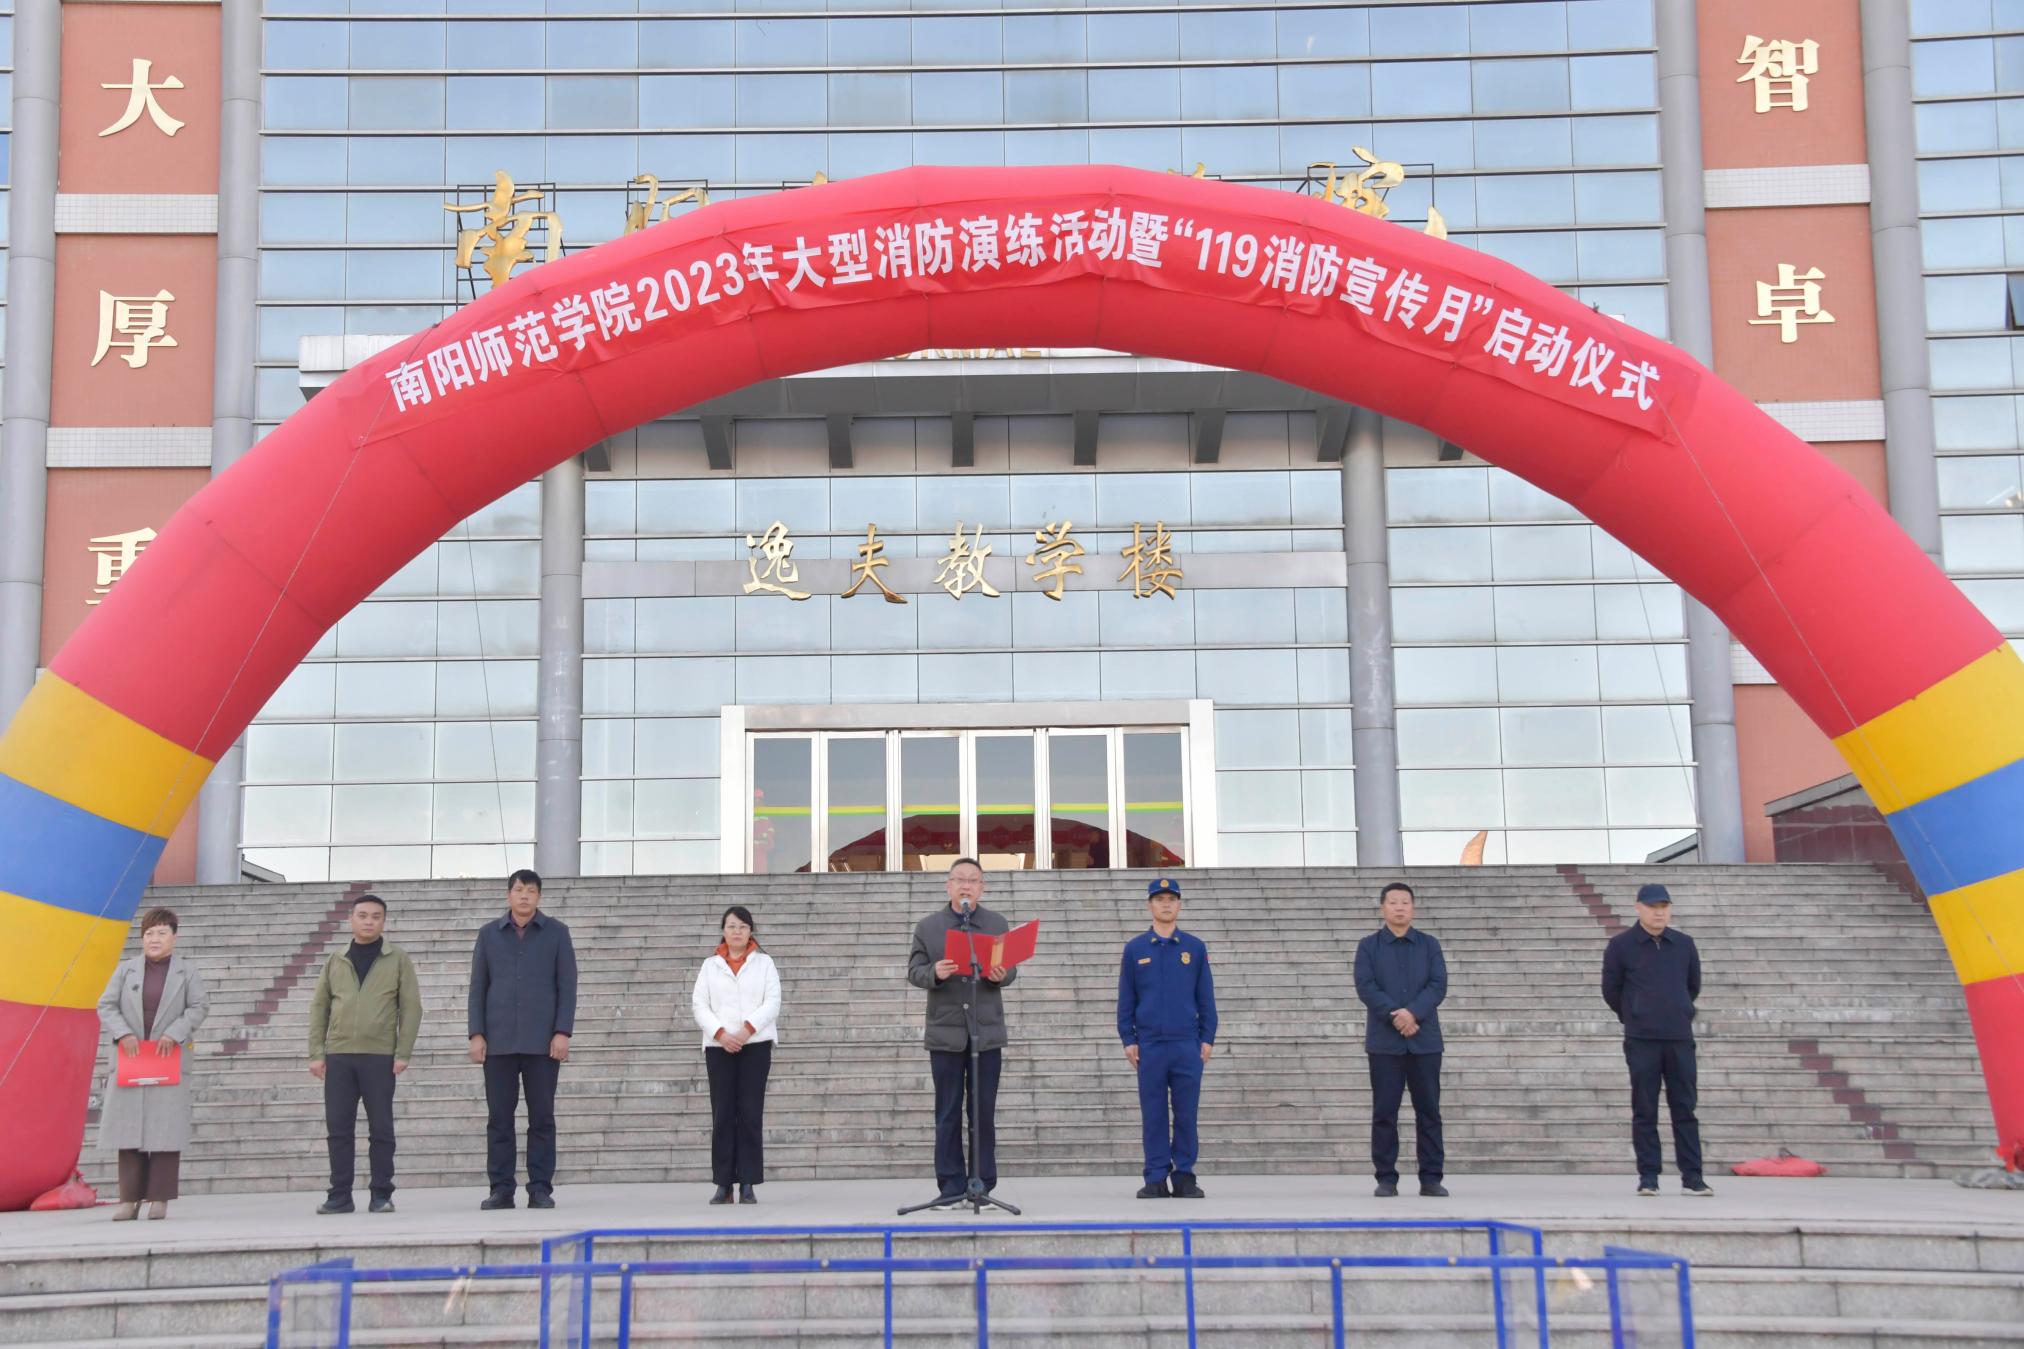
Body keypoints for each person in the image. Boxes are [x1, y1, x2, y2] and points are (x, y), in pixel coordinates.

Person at [906, 857, 1017, 1205]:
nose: (966, 885)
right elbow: (914, 970)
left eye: (973, 880)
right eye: (959, 879)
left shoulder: (997, 924)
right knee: (948, 1112)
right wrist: (934, 973)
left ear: (982, 888)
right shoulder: (929, 927)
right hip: (946, 1033)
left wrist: (1002, 974)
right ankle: (951, 1186)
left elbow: (1010, 968)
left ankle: (981, 1184)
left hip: (986, 1032)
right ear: (948, 885)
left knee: (982, 1112)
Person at [468, 868, 578, 1211]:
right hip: (498, 1042)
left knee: (542, 1118)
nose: (524, 896)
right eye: (518, 890)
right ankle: (501, 1189)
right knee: (499, 1119)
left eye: (531, 890)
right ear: (509, 895)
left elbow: (567, 986)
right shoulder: (489, 935)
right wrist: (476, 1033)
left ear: (539, 896)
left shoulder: (557, 933)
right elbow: (477, 988)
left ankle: (540, 1188)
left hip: (542, 1043)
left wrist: (562, 1032)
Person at [308, 893, 421, 1215]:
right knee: (338, 1129)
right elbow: (319, 1007)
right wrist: (316, 1052)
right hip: (339, 1055)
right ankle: (339, 1195)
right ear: (351, 920)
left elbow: (411, 1007)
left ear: (383, 921)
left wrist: (403, 1052)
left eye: (375, 916)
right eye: (362, 915)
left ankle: (381, 1194)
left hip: (379, 1056)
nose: (369, 921)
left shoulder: (397, 959)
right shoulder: (336, 959)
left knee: (381, 1129)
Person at [95, 907, 209, 1221]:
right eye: (148, 933)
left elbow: (200, 1006)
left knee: (165, 1129)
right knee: (127, 1129)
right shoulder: (126, 970)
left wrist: (175, 1032)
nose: (154, 939)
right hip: (131, 1059)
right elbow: (105, 1005)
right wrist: (124, 1033)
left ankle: (159, 1198)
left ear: (174, 937)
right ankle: (128, 1200)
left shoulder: (187, 972)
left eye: (161, 933)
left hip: (167, 1059)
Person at [1602, 882, 1712, 1197]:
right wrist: (1634, 1014)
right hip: (1642, 1039)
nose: (1659, 913)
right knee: (1645, 1109)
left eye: (1664, 907)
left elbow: (1692, 985)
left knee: (1685, 1107)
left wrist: (1680, 1010)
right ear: (1638, 908)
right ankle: (1648, 1176)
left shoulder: (1684, 945)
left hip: (1679, 1037)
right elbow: (1611, 990)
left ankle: (1693, 1177)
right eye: (1652, 907)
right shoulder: (1621, 946)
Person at [1116, 877, 1217, 1199]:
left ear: (1179, 905)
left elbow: (1206, 997)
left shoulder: (1194, 948)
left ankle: (1184, 1176)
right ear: (1149, 905)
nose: (1166, 904)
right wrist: (1128, 1038)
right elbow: (1126, 999)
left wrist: (1207, 1037)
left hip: (1187, 1044)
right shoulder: (1136, 949)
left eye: (1171, 899)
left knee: (1186, 1113)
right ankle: (1156, 1177)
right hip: (1150, 1046)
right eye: (1159, 899)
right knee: (1154, 1114)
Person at [1352, 881, 1449, 1198]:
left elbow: (1438, 985)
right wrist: (1396, 1015)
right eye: (1393, 902)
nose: (1399, 907)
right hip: (1385, 1042)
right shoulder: (1368, 947)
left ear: (1413, 908)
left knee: (1429, 1111)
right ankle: (1386, 1178)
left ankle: (1431, 1178)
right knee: (1385, 1112)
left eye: (1405, 902)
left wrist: (1413, 1013)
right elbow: (1366, 986)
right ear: (1383, 907)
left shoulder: (1429, 945)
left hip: (1425, 1041)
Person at [690, 905, 781, 1204]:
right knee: (723, 1114)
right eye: (731, 926)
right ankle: (724, 1183)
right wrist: (721, 1034)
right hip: (719, 1047)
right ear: (723, 931)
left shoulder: (765, 963)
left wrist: (745, 1031)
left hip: (755, 1045)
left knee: (750, 1113)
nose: (737, 932)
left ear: (750, 931)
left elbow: (772, 1002)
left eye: (742, 927)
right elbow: (699, 1004)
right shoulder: (710, 966)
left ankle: (748, 1182)